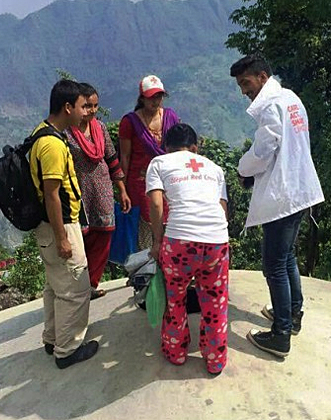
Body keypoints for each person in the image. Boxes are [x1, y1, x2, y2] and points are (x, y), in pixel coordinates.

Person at [230, 54, 324, 358]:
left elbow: (263, 150)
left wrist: (242, 169)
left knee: (274, 266)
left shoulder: (272, 106)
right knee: (287, 257)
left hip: (283, 196)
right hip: (299, 189)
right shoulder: (290, 98)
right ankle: (293, 315)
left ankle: (281, 334)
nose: (244, 91)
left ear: (261, 76)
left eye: (246, 83)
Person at [146, 123, 230, 375]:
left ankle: (176, 352)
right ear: (195, 147)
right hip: (216, 240)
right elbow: (222, 206)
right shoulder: (214, 168)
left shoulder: (159, 163)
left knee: (175, 298)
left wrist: (158, 242)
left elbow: (156, 205)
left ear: (166, 147)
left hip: (179, 241)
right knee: (215, 302)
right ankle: (215, 359)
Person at [29, 79, 99, 369]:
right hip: (60, 225)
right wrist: (63, 238)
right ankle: (68, 350)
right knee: (74, 289)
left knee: (55, 285)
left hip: (48, 227)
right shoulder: (53, 146)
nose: (86, 113)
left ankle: (53, 337)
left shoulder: (40, 133)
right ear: (67, 107)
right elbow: (52, 195)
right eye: (83, 107)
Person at [65, 83, 131, 300]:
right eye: (87, 106)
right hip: (79, 190)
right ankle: (78, 286)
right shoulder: (66, 132)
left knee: (104, 234)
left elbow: (111, 158)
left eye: (95, 106)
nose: (91, 111)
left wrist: (121, 189)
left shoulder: (100, 128)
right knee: (81, 238)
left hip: (101, 187)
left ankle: (91, 283)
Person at [119, 75, 180, 250]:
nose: (156, 101)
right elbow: (125, 157)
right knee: (145, 228)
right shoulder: (130, 122)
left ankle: (170, 266)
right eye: (151, 97)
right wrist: (123, 190)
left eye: (159, 96)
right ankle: (146, 271)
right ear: (142, 98)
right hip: (140, 184)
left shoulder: (171, 117)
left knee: (170, 225)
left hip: (169, 181)